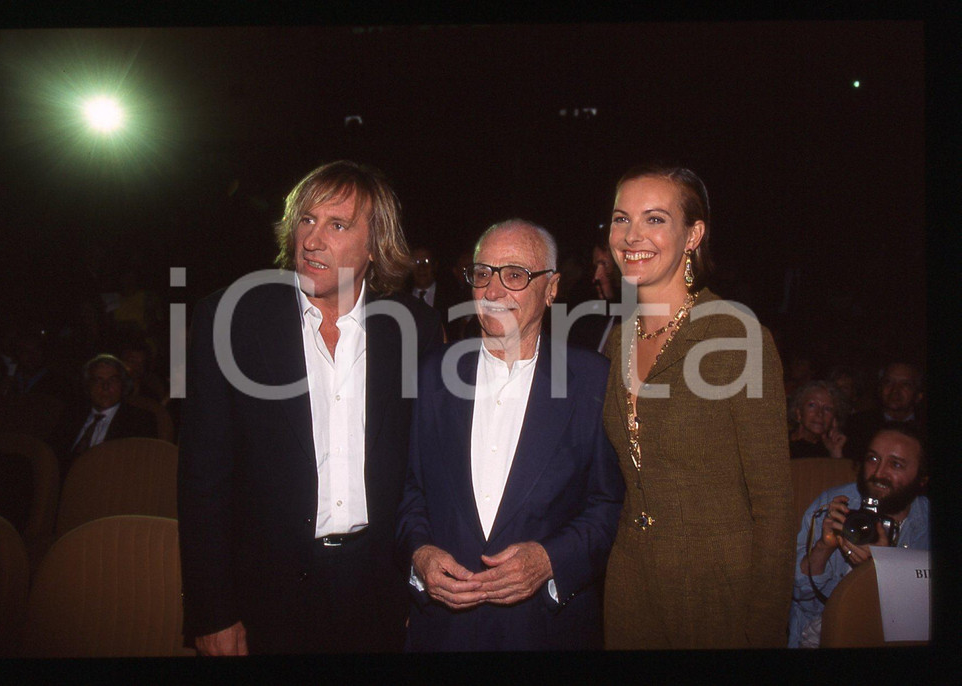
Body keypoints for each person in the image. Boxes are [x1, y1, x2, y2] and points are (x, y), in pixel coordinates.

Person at [177, 160, 441, 655]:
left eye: (337, 224)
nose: (312, 239)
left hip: (380, 590)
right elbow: (202, 479)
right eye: (306, 220)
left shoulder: (414, 328)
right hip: (266, 596)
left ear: (374, 243)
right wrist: (212, 611)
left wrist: (418, 586)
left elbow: (424, 469)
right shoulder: (232, 318)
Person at [396, 219, 624, 651]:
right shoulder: (431, 375)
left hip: (544, 630)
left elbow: (609, 504)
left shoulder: (593, 381)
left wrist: (550, 560)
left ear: (552, 287)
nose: (493, 292)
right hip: (443, 632)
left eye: (515, 275)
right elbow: (410, 490)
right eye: (482, 274)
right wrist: (420, 555)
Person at [601, 165, 794, 649]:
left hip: (718, 593)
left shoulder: (735, 337)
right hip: (629, 587)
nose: (632, 235)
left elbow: (773, 505)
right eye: (621, 219)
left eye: (655, 219)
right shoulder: (616, 341)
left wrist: (766, 626)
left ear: (694, 235)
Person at [788, 423, 930, 648]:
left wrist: (882, 570)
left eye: (896, 464)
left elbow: (919, 625)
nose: (878, 473)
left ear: (922, 478)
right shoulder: (833, 503)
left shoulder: (928, 524)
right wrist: (823, 548)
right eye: (873, 459)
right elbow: (798, 596)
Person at [51, 354, 158, 477]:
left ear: (123, 385)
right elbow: (51, 456)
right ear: (88, 386)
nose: (105, 387)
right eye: (98, 380)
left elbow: (138, 469)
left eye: (112, 380)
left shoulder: (140, 420)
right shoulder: (72, 413)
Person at [843, 362, 925, 464]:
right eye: (888, 382)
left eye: (905, 384)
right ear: (879, 389)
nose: (895, 390)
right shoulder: (857, 424)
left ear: (918, 395)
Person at [788, 380, 847, 458]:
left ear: (834, 420)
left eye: (827, 409)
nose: (820, 413)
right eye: (812, 405)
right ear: (799, 413)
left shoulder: (836, 448)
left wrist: (835, 453)